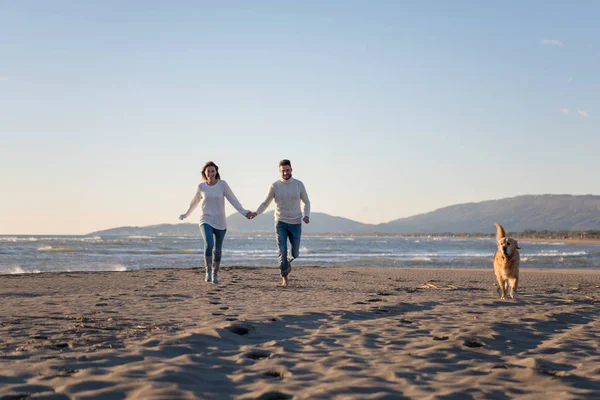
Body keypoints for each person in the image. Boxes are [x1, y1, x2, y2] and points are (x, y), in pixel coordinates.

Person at [179, 161, 253, 284]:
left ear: (216, 172)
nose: (211, 173)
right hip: (206, 219)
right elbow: (194, 202)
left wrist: (244, 212)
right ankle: (207, 270)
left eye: (213, 171)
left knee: (218, 250)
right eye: (208, 171)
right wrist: (186, 214)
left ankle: (215, 273)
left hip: (220, 221)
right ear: (205, 173)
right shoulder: (201, 187)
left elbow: (233, 199)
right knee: (209, 244)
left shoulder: (222, 185)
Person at [251, 159, 310, 287]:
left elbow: (306, 202)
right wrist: (256, 212)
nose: (285, 173)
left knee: (295, 253)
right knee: (282, 251)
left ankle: (288, 262)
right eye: (283, 171)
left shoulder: (299, 185)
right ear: (280, 172)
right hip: (280, 222)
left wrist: (306, 215)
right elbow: (265, 203)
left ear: (291, 170)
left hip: (296, 222)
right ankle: (284, 277)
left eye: (287, 170)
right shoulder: (275, 186)